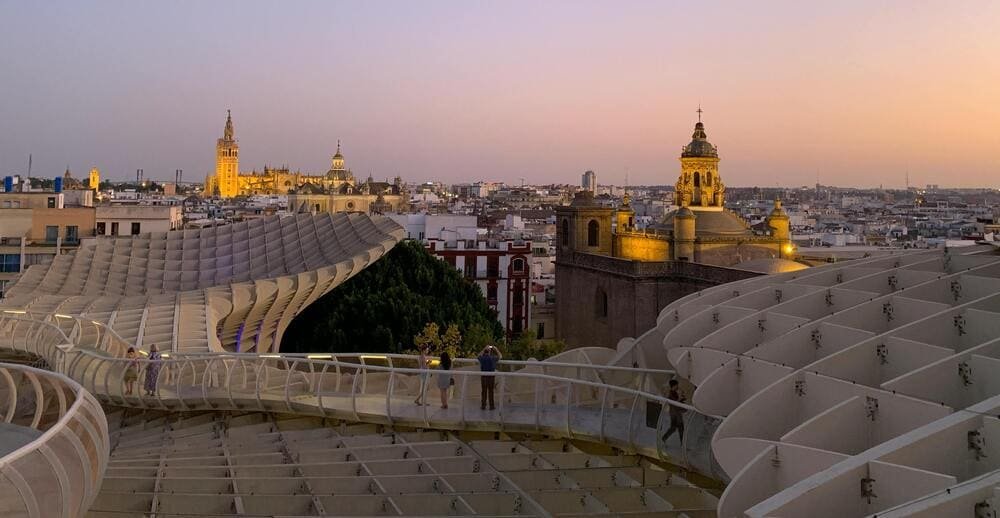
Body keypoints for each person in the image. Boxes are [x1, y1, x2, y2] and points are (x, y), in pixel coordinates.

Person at [661, 379, 687, 445]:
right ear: (674, 386)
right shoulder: (671, 394)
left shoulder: (674, 392)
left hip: (675, 413)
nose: (678, 386)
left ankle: (664, 438)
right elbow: (675, 402)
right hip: (675, 414)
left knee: (674, 428)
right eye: (677, 385)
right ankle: (682, 444)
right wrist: (680, 397)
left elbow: (678, 400)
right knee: (680, 428)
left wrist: (682, 397)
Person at [478, 345, 501, 410]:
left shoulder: (482, 358)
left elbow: (478, 356)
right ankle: (491, 406)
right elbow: (500, 356)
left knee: (484, 391)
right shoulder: (493, 358)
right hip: (491, 377)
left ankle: (483, 405)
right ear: (490, 352)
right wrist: (496, 349)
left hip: (484, 377)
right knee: (491, 391)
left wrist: (484, 348)